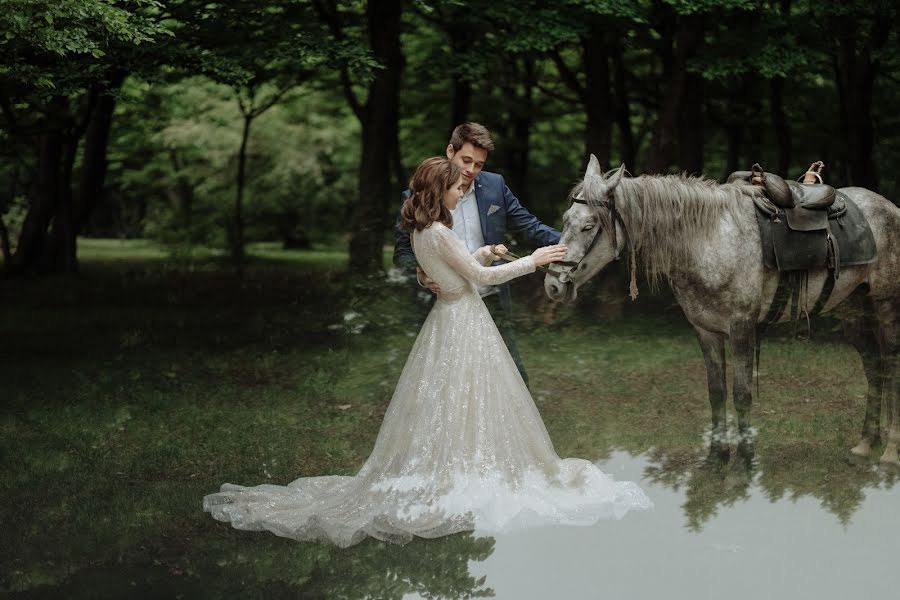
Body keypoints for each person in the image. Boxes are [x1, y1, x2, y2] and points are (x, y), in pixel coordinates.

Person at [203, 157, 650, 548]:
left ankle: (457, 457)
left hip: (449, 317)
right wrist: (531, 262)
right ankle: (465, 470)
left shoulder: (425, 230)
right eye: (457, 188)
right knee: (469, 394)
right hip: (462, 322)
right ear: (441, 190)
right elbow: (480, 278)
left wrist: (486, 250)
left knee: (451, 398)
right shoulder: (437, 230)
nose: (463, 193)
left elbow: (459, 266)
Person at [394, 122, 559, 386]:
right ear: (450, 151)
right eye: (466, 161)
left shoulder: (495, 186)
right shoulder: (418, 197)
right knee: (450, 382)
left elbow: (529, 224)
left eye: (479, 165)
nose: (471, 171)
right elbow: (403, 251)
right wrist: (423, 275)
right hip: (446, 305)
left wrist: (572, 244)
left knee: (512, 378)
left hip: (491, 299)